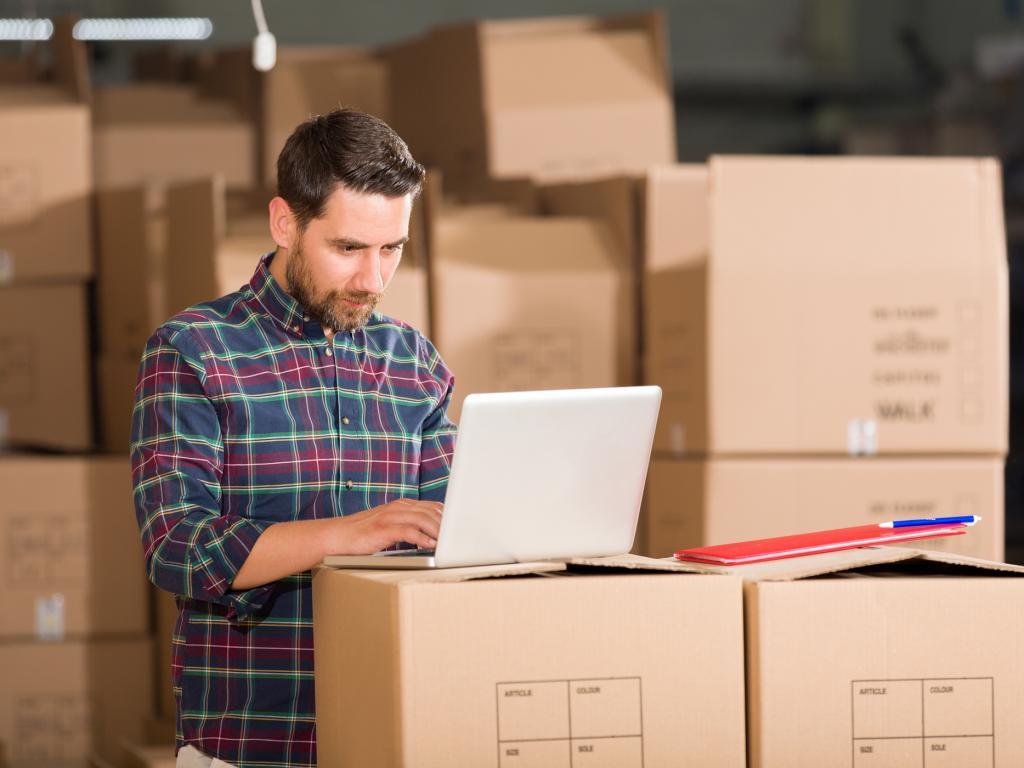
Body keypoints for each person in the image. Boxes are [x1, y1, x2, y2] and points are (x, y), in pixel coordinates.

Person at [131, 109, 455, 768]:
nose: (372, 280)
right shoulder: (193, 351)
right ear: (285, 223)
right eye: (348, 249)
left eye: (391, 248)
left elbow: (453, 530)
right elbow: (176, 548)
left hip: (394, 732)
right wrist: (348, 534)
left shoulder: (412, 361)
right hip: (252, 741)